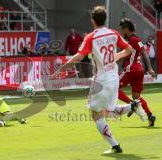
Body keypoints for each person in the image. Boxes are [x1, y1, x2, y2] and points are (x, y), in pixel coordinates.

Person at [51, 6, 146, 154]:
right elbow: (128, 49)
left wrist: (61, 69)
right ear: (105, 19)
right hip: (114, 77)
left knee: (96, 114)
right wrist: (117, 56)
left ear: (92, 20)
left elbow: (78, 57)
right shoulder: (113, 33)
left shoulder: (91, 37)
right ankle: (132, 106)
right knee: (108, 111)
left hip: (101, 81)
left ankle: (115, 146)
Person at [118, 18, 156, 127]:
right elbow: (125, 56)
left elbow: (144, 52)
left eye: (122, 30)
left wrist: (150, 68)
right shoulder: (133, 40)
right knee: (136, 95)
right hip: (139, 70)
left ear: (126, 29)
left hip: (131, 69)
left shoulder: (134, 39)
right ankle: (150, 115)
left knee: (114, 88)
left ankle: (132, 105)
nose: (122, 32)